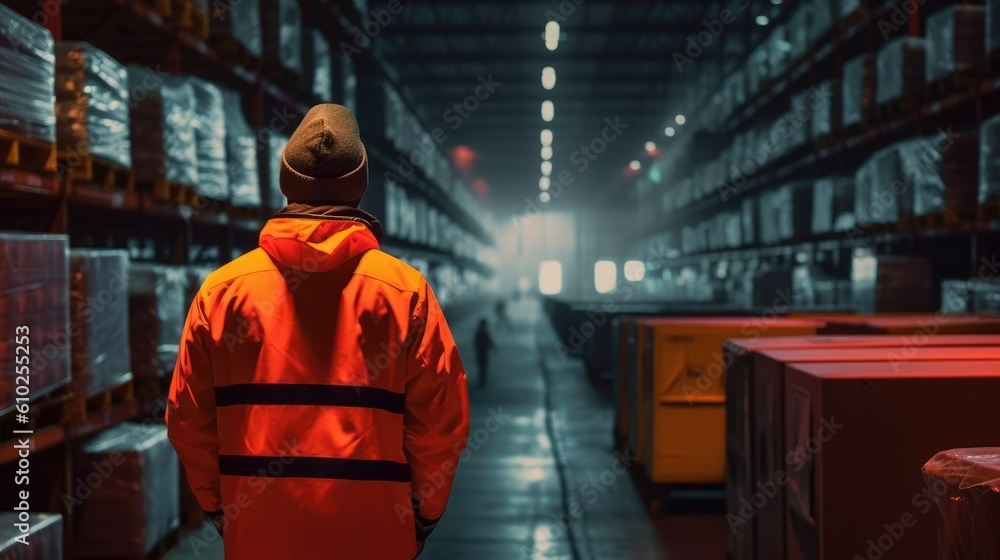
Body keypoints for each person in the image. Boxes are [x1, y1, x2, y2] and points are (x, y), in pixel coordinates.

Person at [166, 104, 470, 560]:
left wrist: (223, 510)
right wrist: (422, 516)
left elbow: (188, 422)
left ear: (288, 183)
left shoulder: (222, 292)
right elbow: (441, 427)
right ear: (359, 186)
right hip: (376, 539)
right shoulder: (404, 291)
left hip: (261, 539)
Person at [473, 319, 496, 388]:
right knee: (483, 368)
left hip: (480, 353)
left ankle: (481, 381)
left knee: (481, 367)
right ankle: (482, 381)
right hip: (484, 353)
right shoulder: (484, 333)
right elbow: (489, 342)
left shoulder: (478, 333)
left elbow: (475, 343)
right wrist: (494, 348)